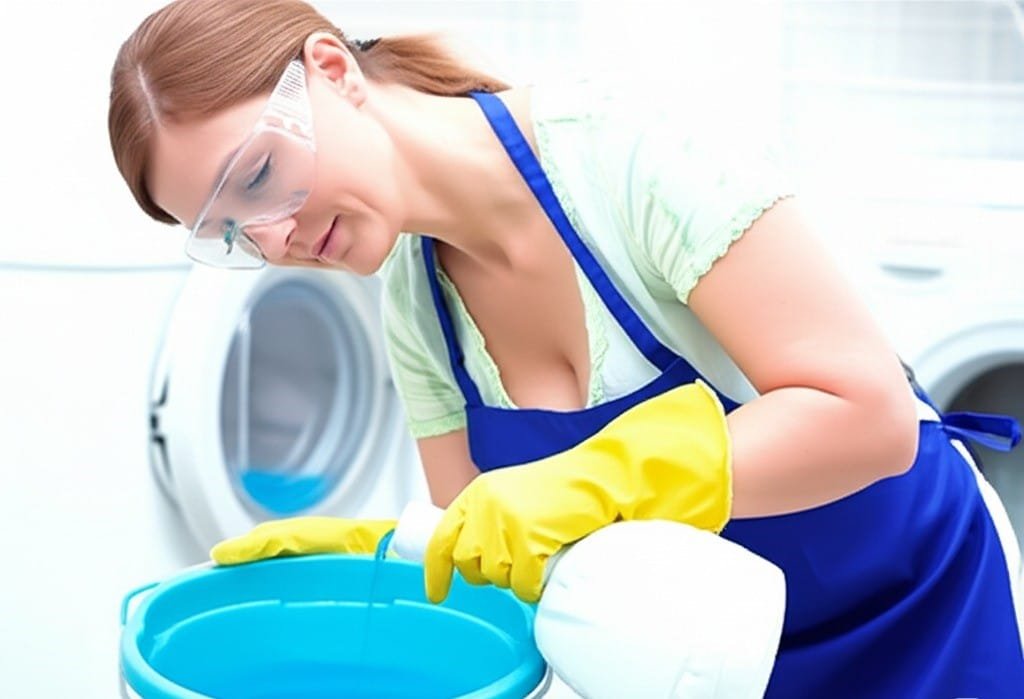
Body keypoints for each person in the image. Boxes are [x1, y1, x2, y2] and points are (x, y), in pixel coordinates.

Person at [108, 0, 1024, 695]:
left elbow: (868, 418)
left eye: (260, 176)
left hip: (917, 612)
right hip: (711, 666)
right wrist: (387, 556)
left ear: (333, 70)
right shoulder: (417, 306)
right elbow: (501, 560)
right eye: (229, 230)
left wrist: (601, 478)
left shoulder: (634, 159)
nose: (271, 240)